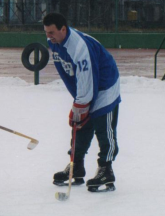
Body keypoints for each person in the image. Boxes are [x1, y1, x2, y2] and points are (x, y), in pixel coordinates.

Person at [43, 12, 121, 192]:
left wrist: (81, 104)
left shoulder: (79, 46)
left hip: (104, 85)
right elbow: (68, 73)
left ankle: (106, 169)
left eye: (52, 32)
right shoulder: (53, 43)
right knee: (80, 124)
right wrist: (79, 101)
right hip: (84, 88)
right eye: (46, 32)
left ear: (63, 29)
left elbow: (87, 77)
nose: (48, 36)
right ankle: (76, 165)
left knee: (104, 127)